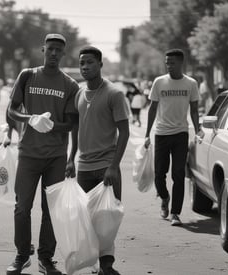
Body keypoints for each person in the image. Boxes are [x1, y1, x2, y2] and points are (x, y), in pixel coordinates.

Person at [6, 33, 79, 275]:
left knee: (51, 212)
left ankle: (45, 259)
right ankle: (21, 255)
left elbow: (71, 123)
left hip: (55, 156)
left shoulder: (70, 85)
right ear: (43, 50)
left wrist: (53, 128)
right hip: (28, 153)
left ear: (63, 53)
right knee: (21, 207)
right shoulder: (27, 75)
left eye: (59, 50)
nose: (54, 53)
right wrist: (31, 119)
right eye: (50, 49)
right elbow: (12, 109)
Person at [65, 46, 129, 275]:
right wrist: (71, 159)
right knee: (87, 221)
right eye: (82, 63)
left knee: (107, 220)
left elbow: (125, 132)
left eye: (90, 62)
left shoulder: (114, 93)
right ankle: (96, 263)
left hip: (106, 168)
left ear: (100, 65)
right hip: (84, 167)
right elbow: (76, 128)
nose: (85, 67)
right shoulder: (79, 94)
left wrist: (113, 166)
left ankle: (107, 266)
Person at [144, 48, 202, 226]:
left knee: (178, 174)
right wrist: (147, 134)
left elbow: (193, 109)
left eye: (172, 62)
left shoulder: (191, 84)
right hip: (161, 133)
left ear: (180, 63)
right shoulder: (159, 82)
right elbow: (152, 108)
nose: (168, 65)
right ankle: (164, 197)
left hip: (181, 134)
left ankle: (175, 213)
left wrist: (198, 129)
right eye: (167, 62)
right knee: (159, 174)